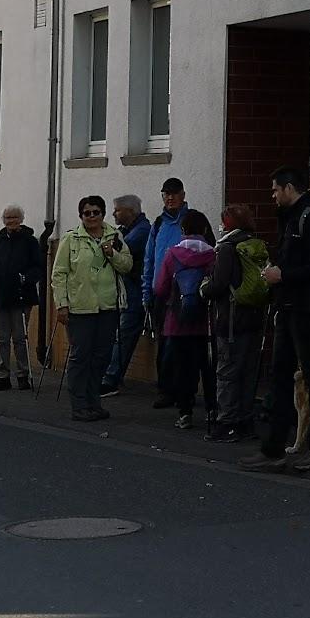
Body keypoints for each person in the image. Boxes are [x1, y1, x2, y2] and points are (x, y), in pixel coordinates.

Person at [241, 167, 310, 474]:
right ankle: (273, 449)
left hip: (307, 308)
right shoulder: (292, 217)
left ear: (288, 188)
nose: (272, 196)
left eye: (274, 190)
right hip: (288, 305)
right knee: (279, 376)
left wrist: (284, 274)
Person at [51, 195, 133, 422]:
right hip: (80, 307)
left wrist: (112, 253)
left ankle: (93, 402)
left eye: (96, 212)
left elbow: (127, 266)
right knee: (80, 357)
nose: (92, 216)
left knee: (101, 356)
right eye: (87, 213)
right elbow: (59, 274)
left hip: (107, 306)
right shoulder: (71, 239)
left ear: (103, 213)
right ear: (81, 216)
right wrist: (62, 305)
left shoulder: (115, 236)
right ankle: (79, 405)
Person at [141, 178, 215, 409]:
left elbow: (210, 253)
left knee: (191, 348)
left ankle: (188, 392)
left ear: (183, 195)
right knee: (166, 347)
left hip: (190, 295)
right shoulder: (158, 224)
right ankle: (166, 390)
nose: (170, 198)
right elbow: (149, 259)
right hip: (163, 295)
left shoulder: (194, 220)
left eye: (174, 193)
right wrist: (147, 291)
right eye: (166, 194)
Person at [200, 203, 269, 443]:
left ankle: (226, 421)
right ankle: (245, 422)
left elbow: (218, 285)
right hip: (255, 319)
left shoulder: (228, 248)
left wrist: (203, 289)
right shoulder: (256, 245)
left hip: (230, 320)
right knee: (249, 372)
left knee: (227, 372)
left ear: (227, 224)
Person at [153, 209, 217, 430]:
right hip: (204, 321)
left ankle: (185, 412)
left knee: (181, 368)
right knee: (206, 367)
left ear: (183, 230)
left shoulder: (173, 254)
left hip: (177, 320)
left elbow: (160, 287)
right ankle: (211, 409)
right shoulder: (213, 254)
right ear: (205, 230)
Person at [0, 204, 42, 392]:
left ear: (21, 220)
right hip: (0, 295)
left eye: (15, 218)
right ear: (3, 220)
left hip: (22, 295)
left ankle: (23, 375)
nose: (11, 221)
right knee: (2, 338)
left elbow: (38, 268)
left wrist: (25, 278)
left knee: (20, 337)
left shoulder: (30, 241)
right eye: (8, 218)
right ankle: (2, 376)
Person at [101, 194, 152, 397]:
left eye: (117, 209)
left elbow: (116, 251)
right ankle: (109, 376)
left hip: (135, 291)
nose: (113, 213)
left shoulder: (141, 232)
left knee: (124, 334)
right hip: (126, 289)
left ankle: (111, 378)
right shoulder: (126, 230)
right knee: (119, 334)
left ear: (130, 211)